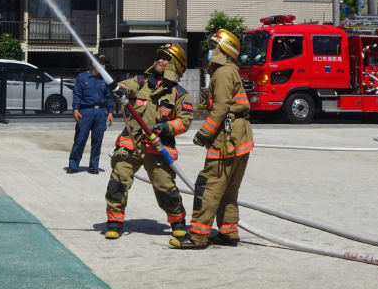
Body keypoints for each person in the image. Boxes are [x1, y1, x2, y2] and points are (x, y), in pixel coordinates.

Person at [171, 29, 253, 249]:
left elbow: (222, 109)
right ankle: (229, 232)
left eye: (213, 46)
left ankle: (198, 237)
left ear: (222, 48)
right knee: (228, 190)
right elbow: (227, 103)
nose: (209, 51)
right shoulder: (230, 71)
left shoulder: (223, 72)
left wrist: (204, 134)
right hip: (240, 136)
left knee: (209, 186)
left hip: (227, 138)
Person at [103, 44, 193, 240]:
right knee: (118, 182)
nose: (159, 60)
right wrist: (120, 91)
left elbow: (185, 121)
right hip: (131, 144)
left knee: (165, 188)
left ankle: (177, 221)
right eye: (159, 56)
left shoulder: (179, 93)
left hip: (159, 148)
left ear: (174, 65)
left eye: (165, 58)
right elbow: (125, 86)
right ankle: (114, 222)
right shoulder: (142, 82)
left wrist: (163, 128)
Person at [67, 53, 114, 175]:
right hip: (85, 111)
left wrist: (110, 112)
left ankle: (94, 166)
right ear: (94, 64)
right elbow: (77, 94)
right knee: (80, 139)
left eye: (104, 64)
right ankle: (73, 164)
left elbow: (109, 97)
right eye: (100, 63)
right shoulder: (82, 77)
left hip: (100, 112)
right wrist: (75, 110)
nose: (102, 65)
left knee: (97, 140)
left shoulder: (105, 79)